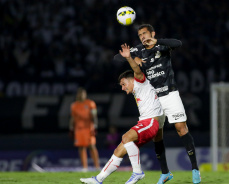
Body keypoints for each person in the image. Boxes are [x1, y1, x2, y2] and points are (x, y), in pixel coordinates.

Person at [114, 24, 201, 184]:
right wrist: (133, 58)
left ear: (152, 33)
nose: (142, 37)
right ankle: (165, 173)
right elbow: (117, 57)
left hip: (170, 94)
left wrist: (156, 41)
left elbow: (178, 43)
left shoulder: (162, 45)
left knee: (181, 129)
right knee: (156, 136)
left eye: (145, 33)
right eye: (140, 35)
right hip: (154, 98)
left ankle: (195, 169)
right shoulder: (139, 50)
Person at [80, 44, 163, 184]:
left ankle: (137, 172)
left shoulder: (140, 82)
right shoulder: (137, 90)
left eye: (124, 84)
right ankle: (98, 179)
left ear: (131, 80)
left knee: (126, 137)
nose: (123, 88)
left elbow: (136, 70)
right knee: (119, 149)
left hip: (150, 122)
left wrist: (129, 58)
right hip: (145, 123)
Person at [69, 88, 100, 172]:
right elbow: (72, 117)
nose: (81, 95)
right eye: (80, 94)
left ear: (85, 94)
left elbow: (94, 116)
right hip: (78, 129)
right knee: (81, 147)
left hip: (88, 128)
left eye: (83, 93)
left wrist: (95, 126)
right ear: (77, 95)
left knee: (92, 146)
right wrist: (71, 128)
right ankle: (85, 167)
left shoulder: (90, 103)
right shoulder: (74, 105)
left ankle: (97, 166)